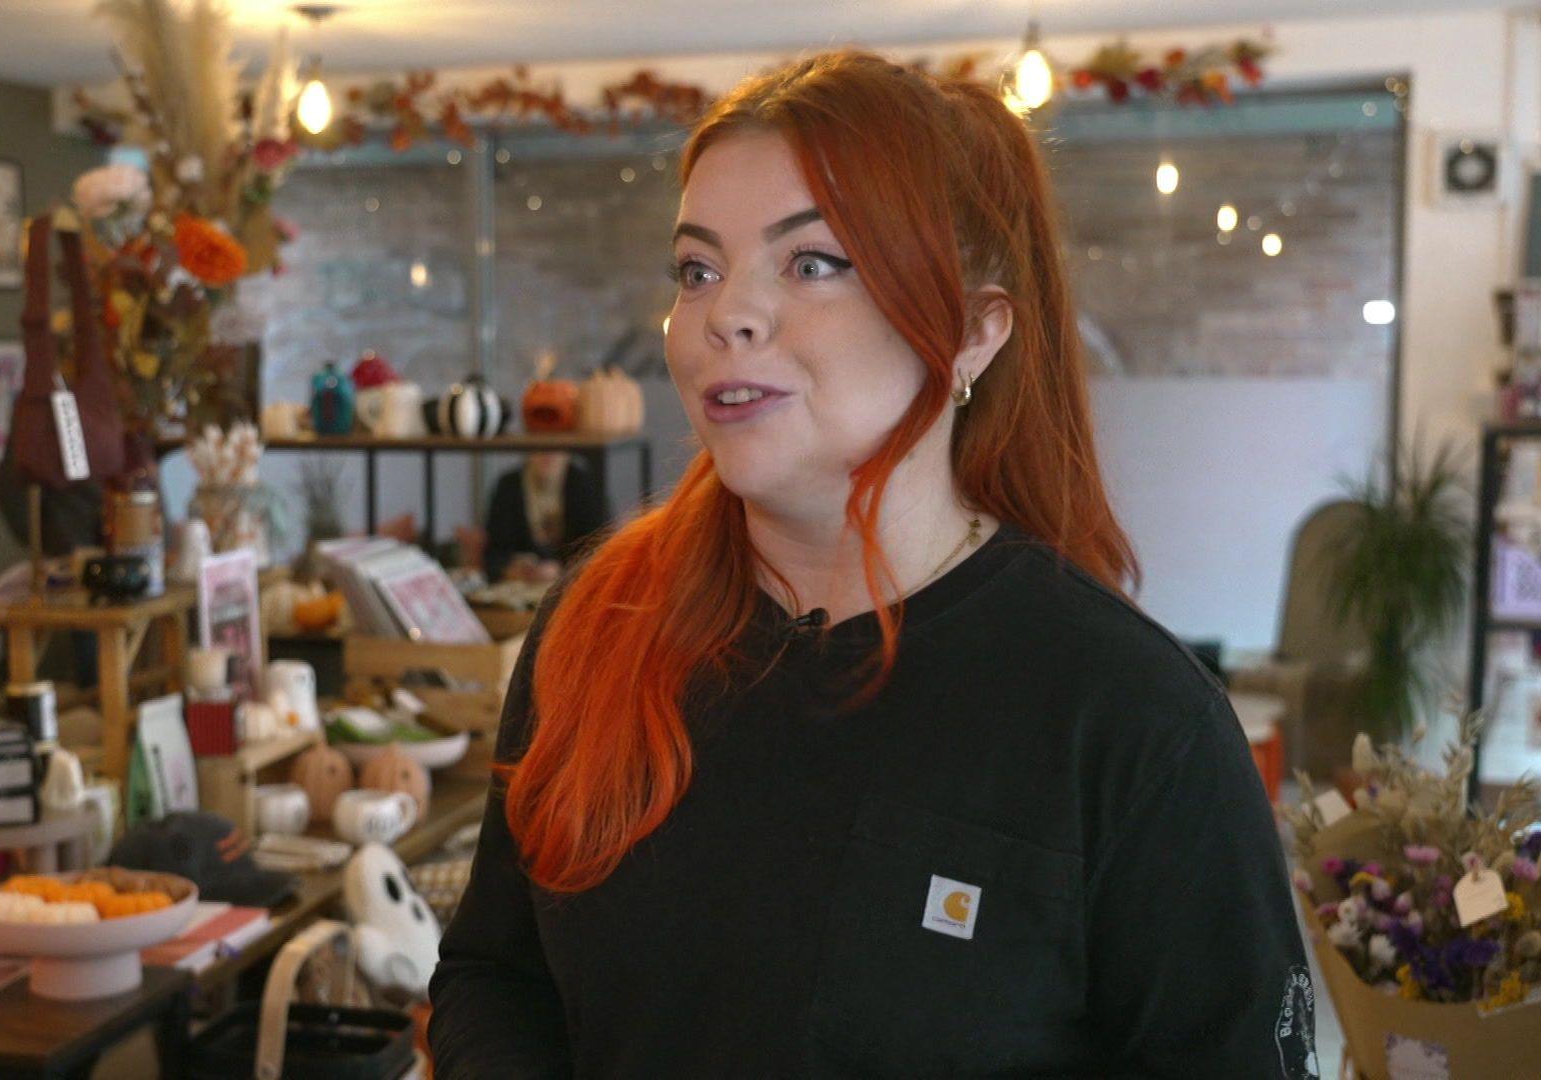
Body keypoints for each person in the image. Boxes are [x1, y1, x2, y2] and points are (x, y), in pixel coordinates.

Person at [427, 50, 1315, 1078]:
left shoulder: (1128, 723)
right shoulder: (598, 623)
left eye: (812, 264)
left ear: (975, 333)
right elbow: (496, 974)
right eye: (696, 269)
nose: (726, 315)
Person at [480, 451, 607, 583]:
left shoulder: (585, 484)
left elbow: (599, 551)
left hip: (574, 586)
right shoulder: (508, 486)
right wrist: (512, 568)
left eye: (554, 446)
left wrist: (561, 571)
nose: (547, 454)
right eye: (539, 447)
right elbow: (494, 553)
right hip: (519, 588)